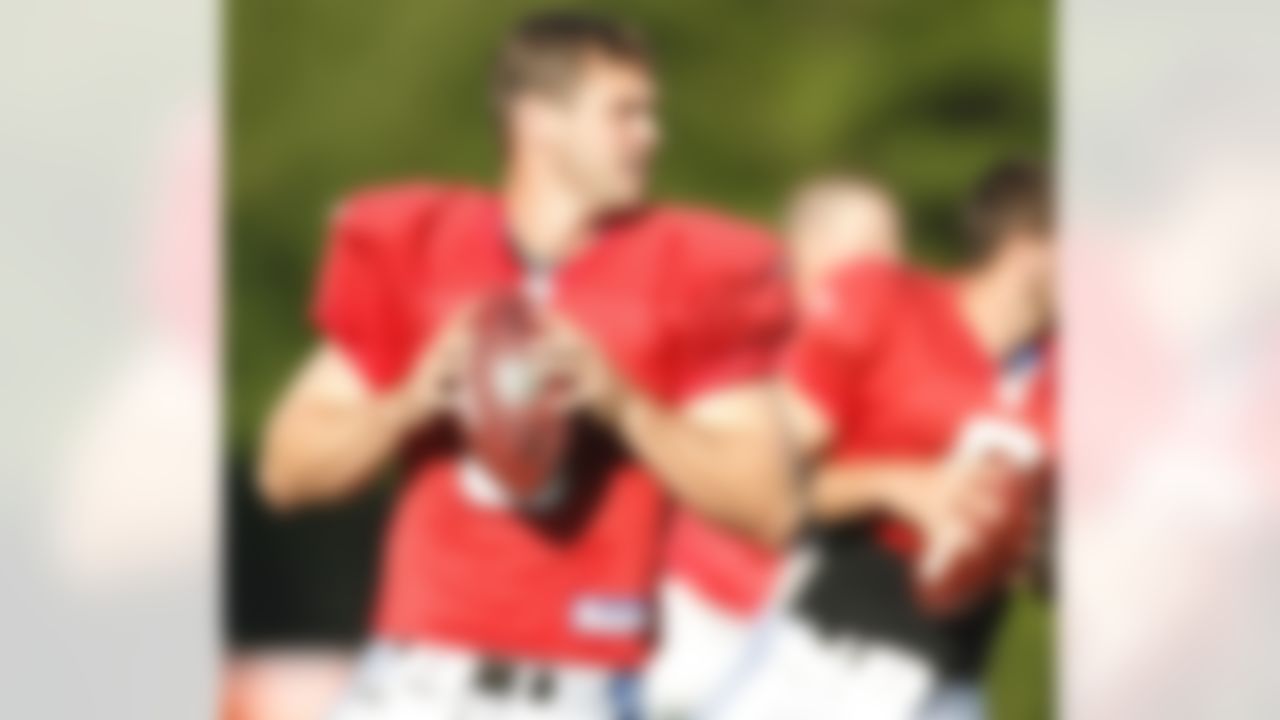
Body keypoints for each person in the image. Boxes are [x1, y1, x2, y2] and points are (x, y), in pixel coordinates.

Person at [258, 12, 794, 719]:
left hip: (584, 688)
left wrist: (626, 406)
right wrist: (408, 402)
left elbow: (772, 507)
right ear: (539, 119)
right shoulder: (420, 245)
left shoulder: (687, 270)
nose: (651, 135)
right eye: (624, 114)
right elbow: (285, 472)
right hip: (418, 681)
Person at [706, 161, 1056, 720]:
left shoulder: (1071, 377)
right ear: (1027, 246)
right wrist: (895, 486)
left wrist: (1036, 555)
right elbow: (773, 483)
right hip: (821, 664)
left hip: (950, 686)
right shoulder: (888, 304)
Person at [646, 174, 905, 719]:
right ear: (802, 251)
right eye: (869, 256)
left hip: (809, 648)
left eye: (894, 256)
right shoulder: (740, 347)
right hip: (694, 624)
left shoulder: (892, 372)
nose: (888, 276)